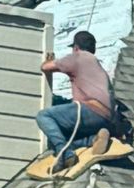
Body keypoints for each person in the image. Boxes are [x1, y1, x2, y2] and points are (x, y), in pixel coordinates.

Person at [29, 30, 115, 179]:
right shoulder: (98, 66)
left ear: (76, 47)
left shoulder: (77, 57)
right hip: (106, 117)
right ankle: (93, 139)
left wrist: (48, 60)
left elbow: (46, 67)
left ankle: (66, 154)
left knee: (44, 116)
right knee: (55, 138)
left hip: (89, 109)